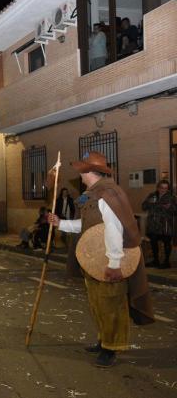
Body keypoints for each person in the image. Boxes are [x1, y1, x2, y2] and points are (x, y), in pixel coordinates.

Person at [48, 151, 154, 368]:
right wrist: (61, 224)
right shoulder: (95, 194)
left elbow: (115, 230)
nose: (80, 174)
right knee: (98, 303)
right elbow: (87, 226)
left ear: (89, 172)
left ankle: (111, 348)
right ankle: (104, 340)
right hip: (96, 261)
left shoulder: (107, 194)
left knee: (111, 305)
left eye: (82, 170)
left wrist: (114, 264)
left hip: (108, 262)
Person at [142, 180, 176, 269]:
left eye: (165, 188)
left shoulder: (171, 197)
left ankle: (166, 262)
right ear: (158, 187)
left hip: (165, 225)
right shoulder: (152, 195)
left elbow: (175, 210)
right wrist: (149, 202)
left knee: (167, 243)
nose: (163, 190)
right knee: (153, 243)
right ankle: (156, 261)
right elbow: (144, 207)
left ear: (168, 189)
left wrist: (169, 207)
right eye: (161, 188)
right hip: (153, 225)